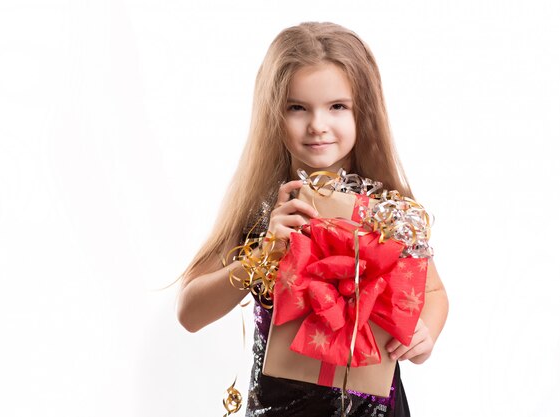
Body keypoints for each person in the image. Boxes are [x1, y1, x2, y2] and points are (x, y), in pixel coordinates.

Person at [177, 22, 449, 417]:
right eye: (297, 107)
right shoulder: (261, 210)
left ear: (364, 111)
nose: (318, 124)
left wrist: (425, 333)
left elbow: (435, 294)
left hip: (378, 408)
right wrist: (264, 256)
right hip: (280, 408)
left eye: (338, 106)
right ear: (273, 113)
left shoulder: (387, 210)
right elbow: (189, 312)